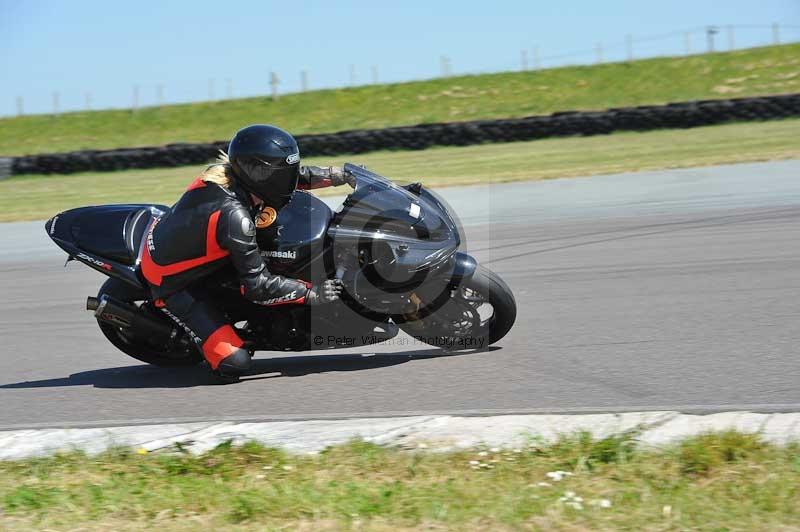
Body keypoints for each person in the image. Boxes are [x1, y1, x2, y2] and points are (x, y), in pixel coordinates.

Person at [141, 124, 354, 381]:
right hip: (173, 282)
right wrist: (313, 293)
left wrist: (338, 175)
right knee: (235, 363)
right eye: (277, 172)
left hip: (190, 245)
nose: (287, 178)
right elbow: (258, 286)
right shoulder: (235, 217)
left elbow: (292, 177)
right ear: (255, 171)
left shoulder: (230, 174)